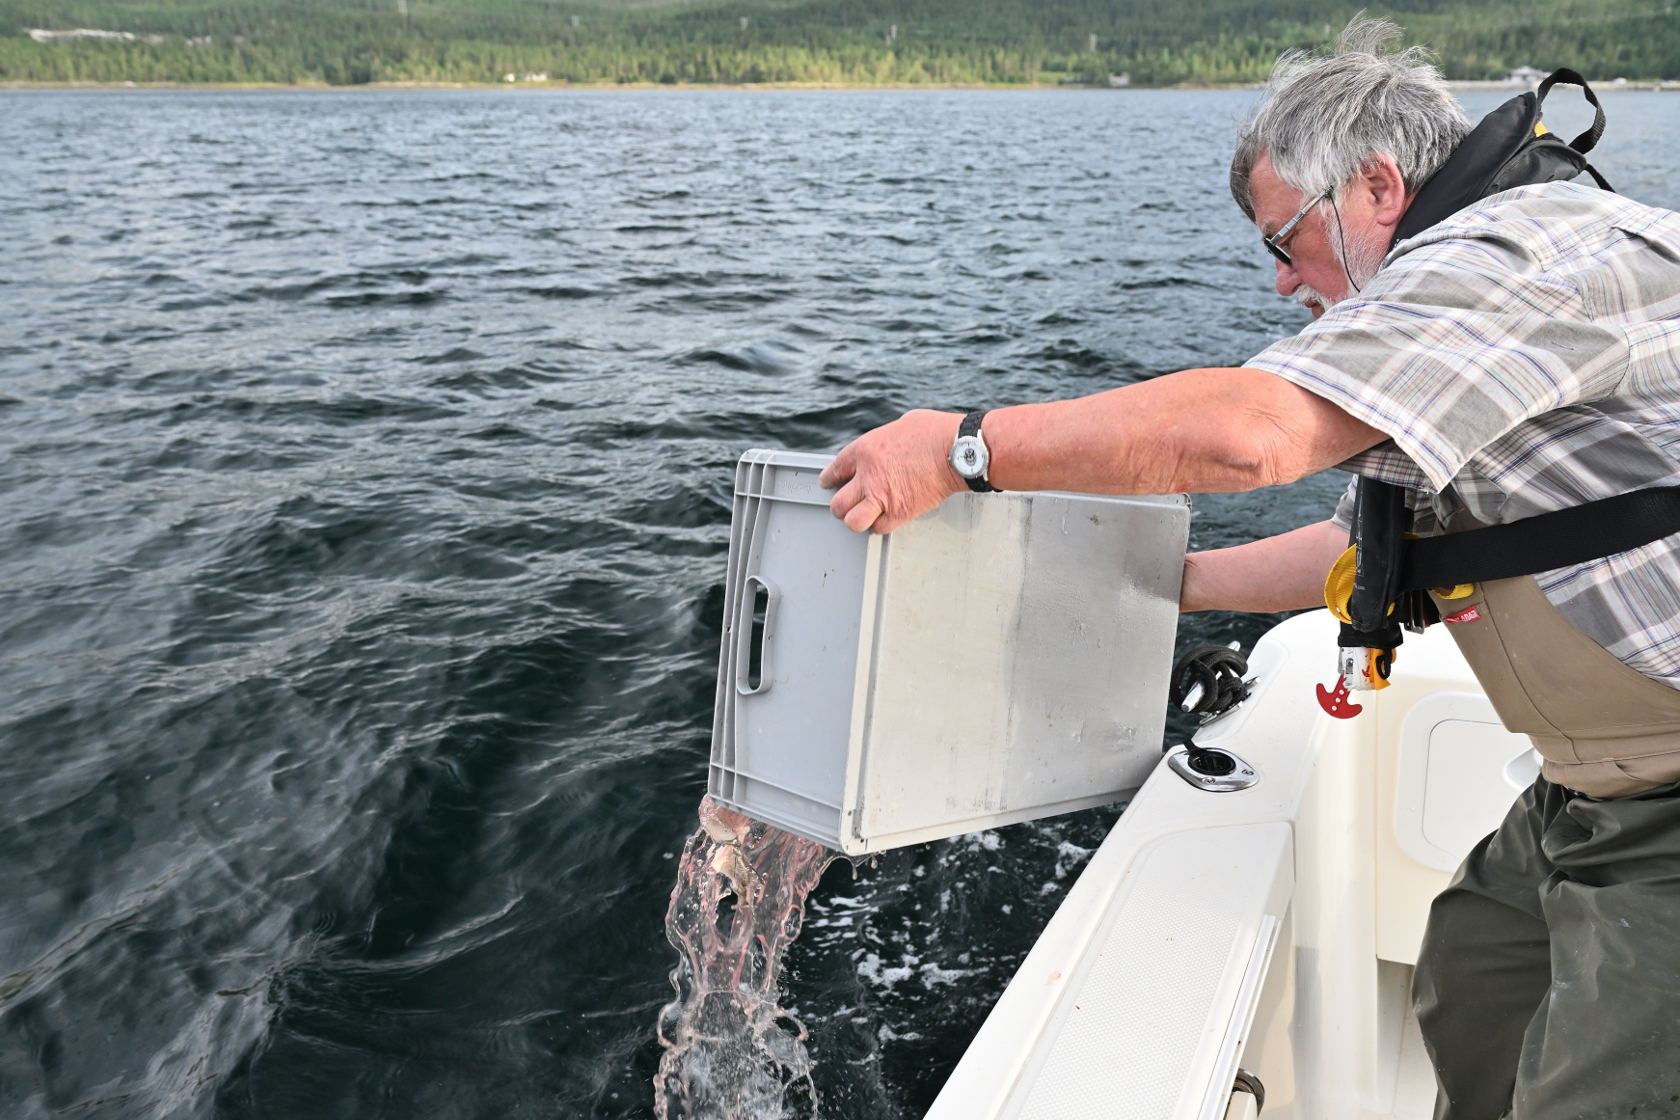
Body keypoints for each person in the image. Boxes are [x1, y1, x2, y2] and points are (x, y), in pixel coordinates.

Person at [817, 18, 1680, 1120]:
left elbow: (1251, 434)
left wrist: (960, 447)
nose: (1281, 283)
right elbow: (1357, 551)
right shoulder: (1454, 318)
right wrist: (1154, 586)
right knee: (1474, 979)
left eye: (1286, 242)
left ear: (1376, 185)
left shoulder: (1516, 254)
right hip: (1591, 785)